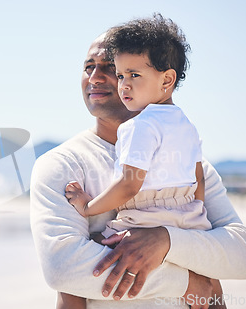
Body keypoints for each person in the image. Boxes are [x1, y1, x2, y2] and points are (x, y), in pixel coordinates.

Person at [29, 18, 246, 309]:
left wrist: (165, 241)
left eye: (113, 68)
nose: (96, 77)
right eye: (88, 67)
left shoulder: (187, 162)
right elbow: (63, 268)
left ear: (164, 79)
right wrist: (187, 282)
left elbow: (243, 259)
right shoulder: (62, 165)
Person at [60, 14, 221, 309]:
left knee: (90, 252)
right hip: (189, 219)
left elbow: (130, 185)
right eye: (121, 75)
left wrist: (87, 206)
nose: (124, 85)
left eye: (134, 75)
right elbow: (198, 181)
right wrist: (194, 223)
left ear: (167, 79)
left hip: (146, 217)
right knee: (204, 281)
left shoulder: (139, 126)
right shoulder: (186, 124)